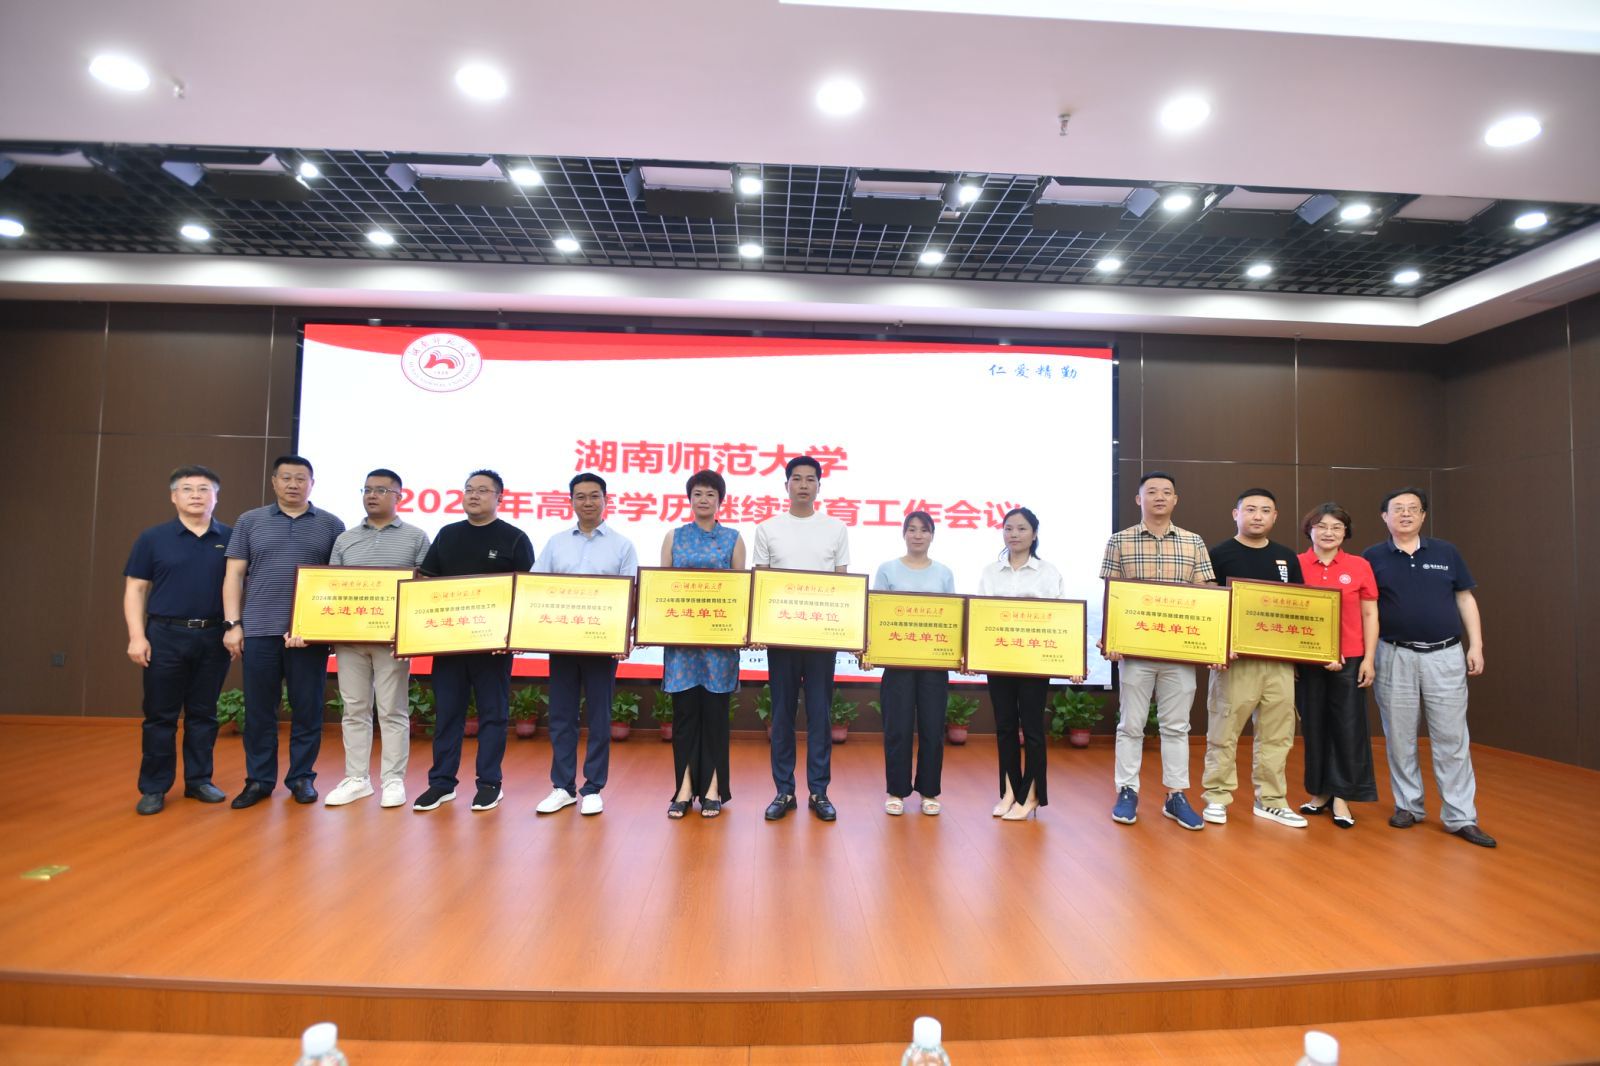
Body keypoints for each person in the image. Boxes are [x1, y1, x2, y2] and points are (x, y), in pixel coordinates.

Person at [1362, 488, 1495, 848]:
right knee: (1399, 736)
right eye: (1398, 509)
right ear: (1384, 517)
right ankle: (1408, 805)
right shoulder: (1372, 557)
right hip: (1394, 654)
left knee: (1452, 739)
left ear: (1423, 516)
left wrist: (1476, 645)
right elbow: (1365, 608)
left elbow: (1465, 598)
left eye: (1413, 509)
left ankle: (1461, 816)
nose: (1405, 514)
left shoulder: (1446, 552)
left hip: (1445, 655)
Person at [222, 455, 345, 809]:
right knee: (260, 711)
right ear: (274, 481)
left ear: (312, 484)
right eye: (286, 477)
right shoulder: (250, 521)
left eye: (301, 478)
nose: (293, 484)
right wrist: (233, 624)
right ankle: (259, 781)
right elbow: (233, 575)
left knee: (308, 709)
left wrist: (324, 629)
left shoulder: (331, 524)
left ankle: (302, 778)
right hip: (259, 629)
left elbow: (339, 581)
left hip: (308, 635)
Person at [411, 470, 535, 814]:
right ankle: (441, 783)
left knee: (493, 715)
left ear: (500, 498)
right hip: (449, 643)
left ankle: (489, 784)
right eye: (469, 489)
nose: (474, 495)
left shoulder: (514, 538)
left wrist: (514, 636)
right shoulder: (448, 534)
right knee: (448, 714)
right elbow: (426, 584)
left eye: (482, 490)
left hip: (493, 646)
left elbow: (528, 591)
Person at [1099, 471, 1215, 831]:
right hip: (1135, 653)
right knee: (1130, 724)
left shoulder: (1193, 541)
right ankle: (1127, 790)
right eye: (1152, 492)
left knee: (1177, 727)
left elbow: (1207, 594)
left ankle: (1175, 795)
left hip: (1179, 653)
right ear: (1139, 499)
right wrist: (1110, 639)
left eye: (1166, 492)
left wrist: (1210, 644)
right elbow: (1112, 593)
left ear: (1175, 499)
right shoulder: (1119, 540)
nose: (1159, 497)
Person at [123, 465, 234, 815]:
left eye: (204, 489)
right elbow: (135, 589)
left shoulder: (231, 537)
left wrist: (235, 626)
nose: (196, 495)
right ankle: (154, 787)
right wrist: (137, 636)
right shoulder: (152, 538)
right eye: (187, 489)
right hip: (164, 635)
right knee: (160, 716)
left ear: (216, 497)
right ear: (174, 496)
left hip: (213, 635)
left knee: (204, 714)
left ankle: (199, 780)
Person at [320, 469, 430, 810]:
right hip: (349, 640)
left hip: (393, 640)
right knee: (354, 709)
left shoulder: (416, 537)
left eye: (381, 490)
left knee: (392, 710)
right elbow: (330, 586)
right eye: (367, 489)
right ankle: (357, 779)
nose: (372, 495)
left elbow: (424, 589)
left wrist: (409, 635)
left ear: (399, 496)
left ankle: (393, 780)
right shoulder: (345, 539)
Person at [1201, 488, 1309, 829]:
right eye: (1250, 509)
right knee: (1224, 731)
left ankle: (1271, 800)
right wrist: (1218, 648)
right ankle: (1217, 797)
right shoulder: (1219, 554)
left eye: (1265, 510)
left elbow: (1300, 606)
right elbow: (1211, 606)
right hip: (1235, 661)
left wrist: (1299, 655)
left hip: (1279, 661)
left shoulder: (1286, 557)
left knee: (1278, 734)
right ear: (1236, 514)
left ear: (1275, 516)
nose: (1257, 516)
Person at [533, 472, 639, 817]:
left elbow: (631, 594)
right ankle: (562, 787)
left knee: (600, 716)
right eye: (580, 496)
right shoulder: (556, 543)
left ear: (606, 500)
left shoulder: (622, 545)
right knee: (561, 716)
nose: (588, 502)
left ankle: (593, 787)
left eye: (594, 496)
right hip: (562, 641)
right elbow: (536, 586)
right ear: (571, 502)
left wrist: (624, 636)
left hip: (601, 644)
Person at [752, 455, 851, 823]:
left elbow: (842, 584)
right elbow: (762, 584)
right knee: (782, 714)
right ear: (787, 485)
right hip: (781, 638)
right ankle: (784, 791)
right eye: (797, 478)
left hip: (821, 638)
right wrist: (760, 628)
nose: (804, 485)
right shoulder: (767, 529)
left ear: (819, 486)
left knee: (820, 714)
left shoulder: (836, 529)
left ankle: (819, 791)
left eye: (811, 479)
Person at [658, 470, 745, 819]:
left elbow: (740, 592)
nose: (704, 499)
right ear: (689, 499)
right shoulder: (674, 537)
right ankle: (683, 789)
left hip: (718, 646)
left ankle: (712, 790)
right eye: (698, 493)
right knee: (684, 718)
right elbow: (661, 589)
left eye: (710, 494)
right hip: (682, 645)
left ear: (720, 500)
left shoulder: (733, 539)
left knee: (715, 719)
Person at [977, 507, 1071, 822]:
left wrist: (1071, 660)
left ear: (1034, 534)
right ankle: (1008, 791)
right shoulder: (990, 572)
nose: (1014, 534)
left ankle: (1030, 795)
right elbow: (981, 616)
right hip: (999, 659)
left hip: (1034, 661)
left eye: (1021, 528)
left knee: (1031, 728)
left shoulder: (1048, 572)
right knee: (1004, 726)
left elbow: (1063, 621)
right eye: (1008, 528)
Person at [1296, 502, 1379, 829]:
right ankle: (1320, 792)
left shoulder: (1359, 565)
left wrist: (1369, 658)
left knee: (1348, 726)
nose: (1328, 533)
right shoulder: (1296, 563)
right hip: (1308, 659)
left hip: (1351, 658)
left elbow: (1370, 613)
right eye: (1321, 526)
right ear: (1310, 530)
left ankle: (1342, 795)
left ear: (1346, 532)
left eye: (1336, 527)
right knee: (1314, 725)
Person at [870, 511, 955, 817]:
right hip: (898, 663)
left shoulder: (944, 573)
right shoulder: (887, 570)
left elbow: (951, 619)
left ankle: (929, 791)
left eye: (924, 530)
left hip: (934, 664)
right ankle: (896, 790)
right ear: (903, 534)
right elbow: (877, 614)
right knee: (898, 728)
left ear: (932, 535)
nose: (918, 535)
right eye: (912, 529)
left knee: (932, 728)